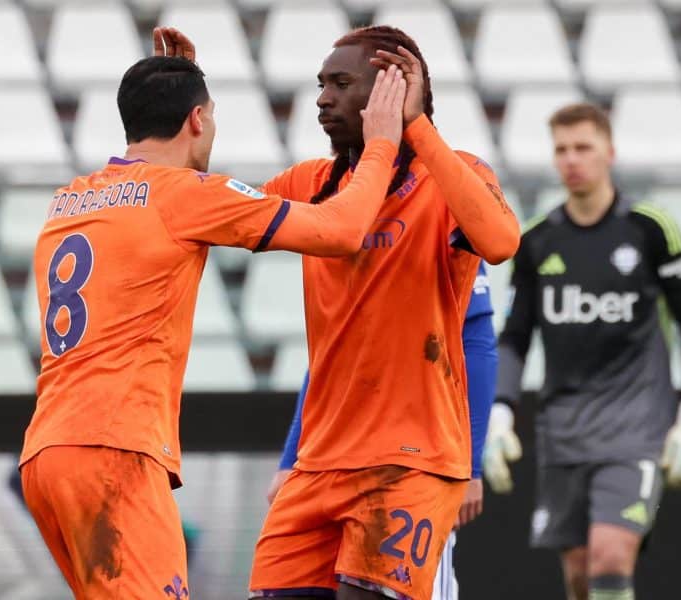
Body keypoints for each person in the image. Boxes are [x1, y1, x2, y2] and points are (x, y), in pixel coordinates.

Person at [18, 38, 411, 598]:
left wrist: (177, 80)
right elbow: (341, 230)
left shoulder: (69, 200)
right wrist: (382, 145)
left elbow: (144, 221)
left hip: (47, 452)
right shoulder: (186, 195)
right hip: (115, 448)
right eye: (211, 117)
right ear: (197, 120)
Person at [158, 24, 520, 599]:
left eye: (341, 84)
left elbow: (501, 243)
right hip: (318, 463)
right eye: (321, 85)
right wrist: (179, 100)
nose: (323, 99)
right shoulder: (311, 183)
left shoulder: (456, 176)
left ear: (393, 91)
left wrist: (415, 127)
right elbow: (199, 207)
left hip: (410, 461)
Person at [483, 102, 681, 600]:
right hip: (563, 430)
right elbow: (516, 336)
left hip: (637, 426)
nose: (572, 159)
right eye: (562, 149)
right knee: (580, 574)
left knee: (610, 555)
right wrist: (499, 415)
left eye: (583, 147)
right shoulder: (536, 240)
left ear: (609, 152)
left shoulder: (651, 228)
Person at [267, 261, 499, 600]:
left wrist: (471, 465)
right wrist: (292, 459)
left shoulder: (439, 228)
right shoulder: (346, 230)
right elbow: (329, 350)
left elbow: (477, 343)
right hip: (335, 459)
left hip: (415, 462)